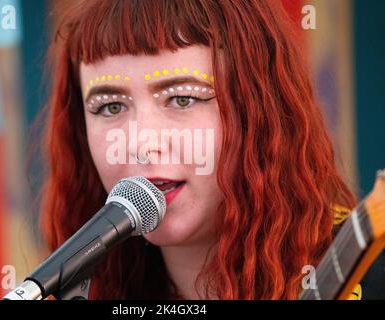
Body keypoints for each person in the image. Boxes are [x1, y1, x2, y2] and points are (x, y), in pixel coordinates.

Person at [38, 0, 359, 299]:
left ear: (260, 111)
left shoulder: (365, 269)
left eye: (183, 99)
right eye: (109, 106)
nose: (141, 145)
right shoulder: (94, 285)